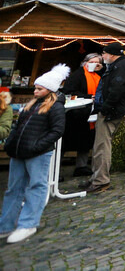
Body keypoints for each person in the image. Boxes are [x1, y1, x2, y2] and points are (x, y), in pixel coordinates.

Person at [1, 64, 68, 243]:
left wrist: (37, 146)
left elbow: (57, 130)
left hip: (37, 153)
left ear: (49, 90)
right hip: (19, 151)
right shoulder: (31, 105)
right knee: (13, 189)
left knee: (36, 186)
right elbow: (18, 126)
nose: (35, 91)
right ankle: (5, 226)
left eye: (39, 89)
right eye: (36, 88)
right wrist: (11, 143)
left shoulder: (55, 107)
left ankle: (28, 224)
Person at [83, 41, 125, 194]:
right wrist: (103, 69)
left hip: (111, 111)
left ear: (111, 54)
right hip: (112, 109)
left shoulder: (120, 66)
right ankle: (96, 177)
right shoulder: (118, 64)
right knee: (100, 145)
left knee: (102, 146)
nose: (102, 56)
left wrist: (105, 108)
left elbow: (116, 89)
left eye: (104, 53)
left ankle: (101, 181)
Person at [62, 52, 102, 176]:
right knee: (66, 142)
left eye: (97, 62)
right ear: (85, 62)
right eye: (91, 62)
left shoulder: (98, 75)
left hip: (89, 114)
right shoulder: (77, 75)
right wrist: (89, 97)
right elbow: (69, 92)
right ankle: (56, 170)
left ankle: (81, 166)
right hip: (75, 114)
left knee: (86, 142)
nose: (94, 64)